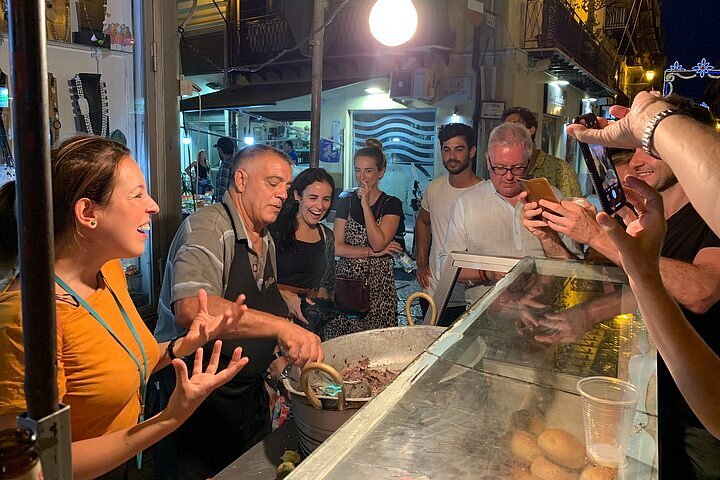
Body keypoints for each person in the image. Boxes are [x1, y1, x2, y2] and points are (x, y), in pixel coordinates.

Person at [0, 136, 249, 480]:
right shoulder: (25, 320)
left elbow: (119, 365)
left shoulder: (107, 272)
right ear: (88, 213)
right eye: (137, 195)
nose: (154, 206)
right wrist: (169, 419)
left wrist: (183, 344)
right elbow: (37, 465)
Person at [153, 144, 323, 479]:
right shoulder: (209, 228)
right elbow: (192, 309)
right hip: (195, 404)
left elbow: (254, 311)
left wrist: (277, 363)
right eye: (273, 183)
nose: (283, 195)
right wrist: (283, 328)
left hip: (245, 400)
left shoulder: (264, 237)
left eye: (286, 187)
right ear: (241, 180)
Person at [439, 123, 577, 305]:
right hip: (483, 314)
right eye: (500, 167)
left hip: (544, 311)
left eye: (517, 167)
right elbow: (446, 265)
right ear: (488, 161)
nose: (509, 176)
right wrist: (488, 274)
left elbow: (575, 265)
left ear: (529, 163)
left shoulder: (552, 198)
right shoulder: (467, 203)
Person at [324, 138, 404, 339]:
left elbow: (379, 241)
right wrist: (371, 253)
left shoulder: (391, 204)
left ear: (381, 172)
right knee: (343, 343)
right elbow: (337, 247)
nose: (362, 177)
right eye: (357, 170)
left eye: (368, 171)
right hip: (346, 285)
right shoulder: (346, 202)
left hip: (378, 288)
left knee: (378, 344)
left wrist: (366, 205)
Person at [415, 123, 483, 326]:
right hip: (434, 291)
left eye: (459, 149)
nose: (452, 156)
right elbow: (422, 221)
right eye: (447, 149)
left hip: (470, 296)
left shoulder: (486, 193)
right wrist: (421, 262)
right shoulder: (434, 188)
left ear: (472, 151)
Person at [269, 168, 336, 337]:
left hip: (309, 325)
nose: (320, 206)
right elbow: (256, 281)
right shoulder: (274, 230)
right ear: (297, 196)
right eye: (313, 198)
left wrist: (321, 309)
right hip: (274, 319)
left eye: (326, 199)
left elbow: (327, 283)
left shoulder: (327, 236)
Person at [502, 106, 582, 198]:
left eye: (515, 125)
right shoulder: (501, 168)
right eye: (505, 127)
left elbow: (576, 207)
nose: (509, 131)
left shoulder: (561, 169)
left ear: (531, 130)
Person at [213, 136, 236, 202]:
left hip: (225, 209)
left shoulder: (225, 167)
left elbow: (222, 194)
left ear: (220, 150)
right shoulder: (237, 163)